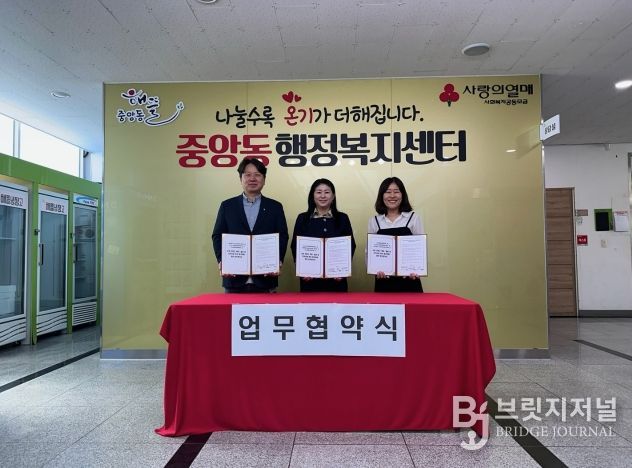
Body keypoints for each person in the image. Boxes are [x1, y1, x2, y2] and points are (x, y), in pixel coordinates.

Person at [212, 158, 289, 293]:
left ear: (264, 179)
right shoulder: (227, 206)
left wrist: (277, 261)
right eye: (247, 175)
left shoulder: (275, 207)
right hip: (234, 280)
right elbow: (217, 235)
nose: (252, 178)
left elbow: (282, 236)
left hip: (266, 279)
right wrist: (222, 261)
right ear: (240, 179)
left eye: (257, 175)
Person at [291, 179, 356, 292]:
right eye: (318, 192)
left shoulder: (343, 218)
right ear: (312, 195)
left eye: (327, 192)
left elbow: (350, 245)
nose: (323, 196)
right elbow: (295, 246)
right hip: (309, 281)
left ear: (333, 196)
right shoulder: (302, 218)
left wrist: (343, 270)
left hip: (337, 280)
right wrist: (302, 269)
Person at [368, 177, 424, 292]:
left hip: (410, 281)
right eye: (388, 192)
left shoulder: (413, 218)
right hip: (383, 281)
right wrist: (374, 270)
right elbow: (369, 252)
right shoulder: (374, 221)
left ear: (402, 195)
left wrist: (418, 270)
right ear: (382, 196)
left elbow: (420, 249)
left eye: (396, 191)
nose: (392, 196)